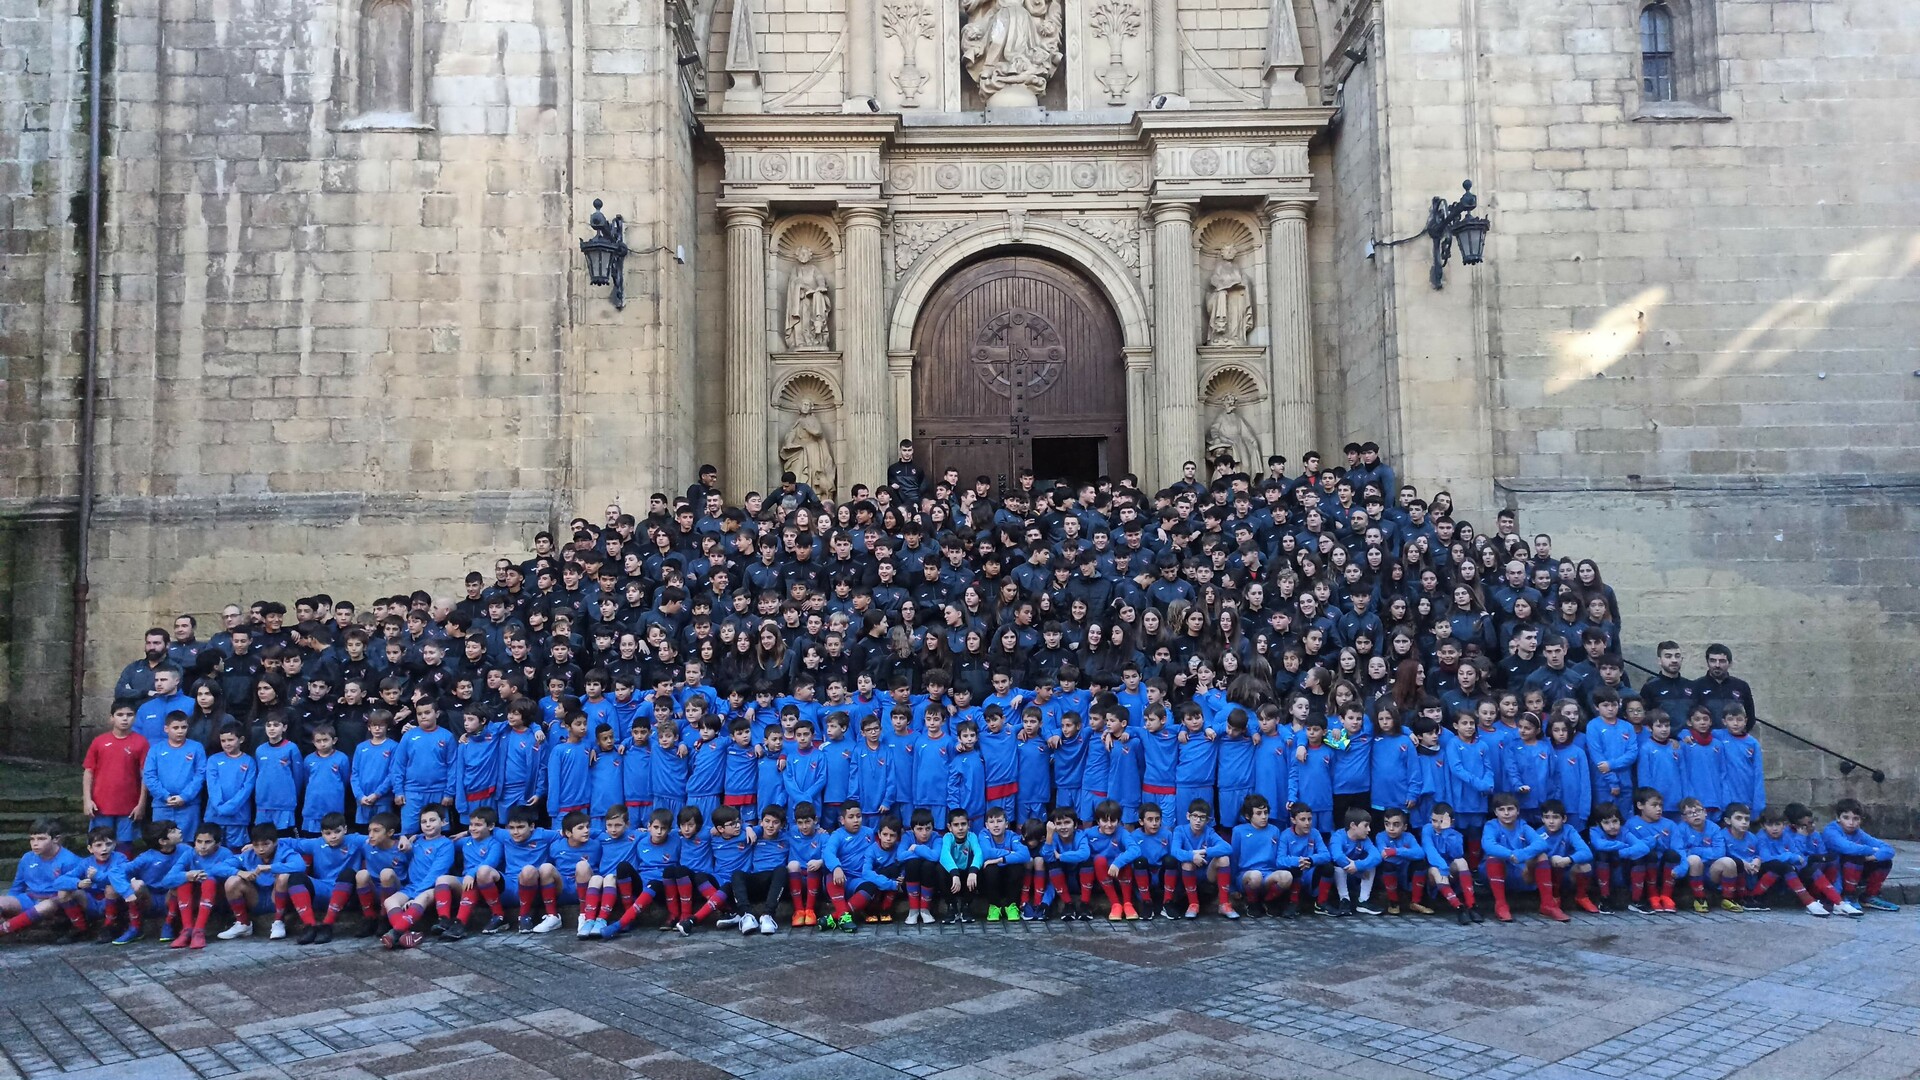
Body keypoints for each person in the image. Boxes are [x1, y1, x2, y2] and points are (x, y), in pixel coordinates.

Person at [83, 701, 149, 855]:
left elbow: (145, 775)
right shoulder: (99, 741)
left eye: (129, 715)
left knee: (124, 847)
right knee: (100, 843)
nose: (125, 719)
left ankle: (122, 870)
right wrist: (87, 800)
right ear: (111, 718)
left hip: (129, 806)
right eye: (120, 715)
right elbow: (88, 772)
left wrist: (141, 804)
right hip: (100, 805)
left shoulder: (141, 742)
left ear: (135, 718)